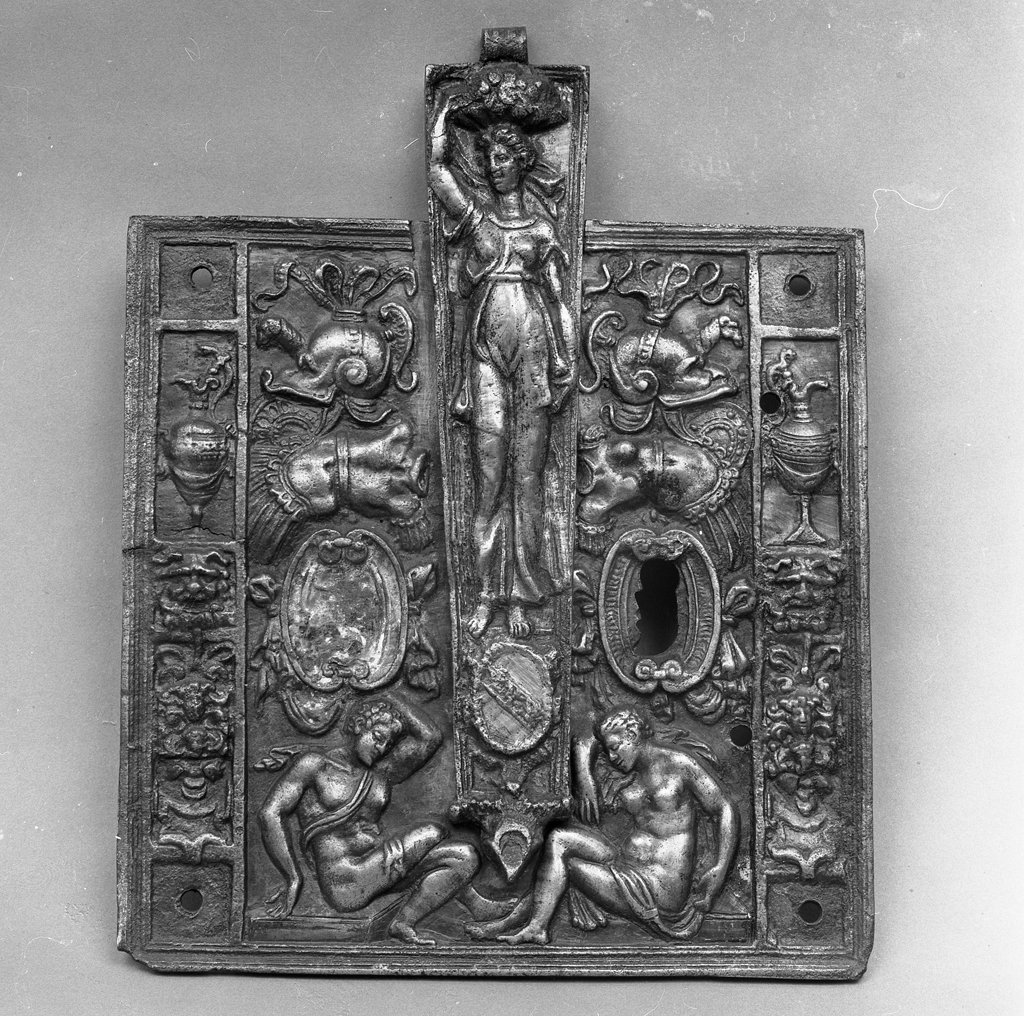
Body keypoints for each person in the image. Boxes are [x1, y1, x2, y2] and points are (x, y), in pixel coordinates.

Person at [427, 93, 577, 640]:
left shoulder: (541, 232)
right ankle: (487, 592)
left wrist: (567, 360)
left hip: (534, 348)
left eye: (503, 156)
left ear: (522, 162)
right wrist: (443, 120)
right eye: (488, 156)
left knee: (528, 477)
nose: (493, 165)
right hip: (486, 351)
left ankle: (521, 593)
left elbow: (558, 301)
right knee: (489, 475)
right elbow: (439, 173)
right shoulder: (476, 222)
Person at [470, 707, 739, 944]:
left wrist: (720, 868)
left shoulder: (679, 764)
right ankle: (518, 922)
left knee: (566, 865)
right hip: (627, 866)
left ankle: (535, 928)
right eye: (608, 749)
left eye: (615, 747)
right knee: (559, 839)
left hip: (657, 889)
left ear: (632, 735)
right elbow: (585, 737)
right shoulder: (631, 771)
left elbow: (724, 807)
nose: (611, 757)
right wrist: (585, 777)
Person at [258, 697, 478, 945]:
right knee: (432, 832)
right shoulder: (315, 765)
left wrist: (390, 698)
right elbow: (270, 813)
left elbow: (430, 737)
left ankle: (403, 923)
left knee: (464, 857)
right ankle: (477, 905)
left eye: (388, 744)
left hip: (378, 868)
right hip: (345, 879)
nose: (381, 748)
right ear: (358, 726)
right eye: (377, 737)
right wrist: (293, 878)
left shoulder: (381, 773)